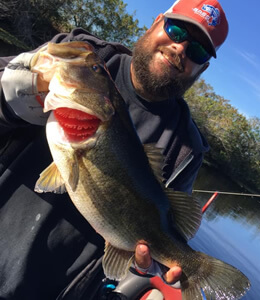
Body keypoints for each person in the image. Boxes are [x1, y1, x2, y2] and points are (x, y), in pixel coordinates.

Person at [0, 0, 228, 299]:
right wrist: (30, 88)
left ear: (203, 67)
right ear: (156, 22)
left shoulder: (187, 148)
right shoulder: (79, 56)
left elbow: (169, 232)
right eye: (177, 30)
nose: (180, 48)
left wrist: (152, 265)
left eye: (197, 50)